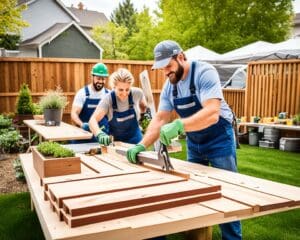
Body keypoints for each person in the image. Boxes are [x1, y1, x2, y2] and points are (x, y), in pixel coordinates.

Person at [126, 40, 242, 240]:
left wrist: (180, 125)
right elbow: (160, 118)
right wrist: (141, 144)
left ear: (181, 57)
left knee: (226, 193)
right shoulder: (169, 87)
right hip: (195, 143)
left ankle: (232, 238)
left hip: (219, 139)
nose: (166, 73)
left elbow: (213, 113)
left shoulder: (204, 73)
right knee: (193, 191)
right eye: (162, 69)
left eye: (168, 67)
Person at [89, 68, 147, 145]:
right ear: (113, 87)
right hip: (117, 142)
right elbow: (92, 120)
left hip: (136, 138)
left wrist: (142, 118)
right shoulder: (108, 100)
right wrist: (99, 134)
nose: (124, 93)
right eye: (120, 90)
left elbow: (144, 106)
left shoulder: (137, 93)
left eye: (127, 89)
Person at [71, 62, 110, 143]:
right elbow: (74, 113)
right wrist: (82, 124)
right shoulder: (83, 93)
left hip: (101, 136)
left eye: (103, 79)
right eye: (98, 78)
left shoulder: (108, 94)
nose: (100, 81)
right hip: (83, 136)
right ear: (92, 77)